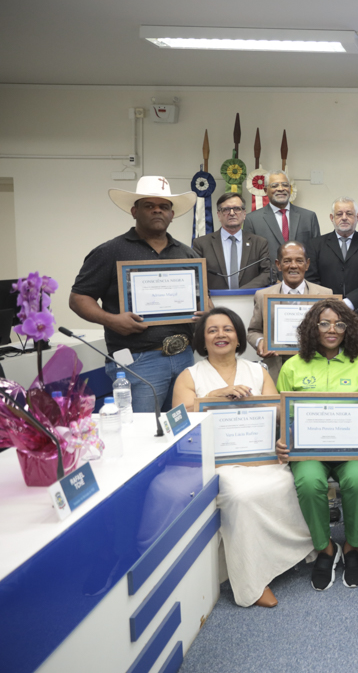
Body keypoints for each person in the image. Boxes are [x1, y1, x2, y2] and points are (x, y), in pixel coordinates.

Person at [171, 307, 312, 608]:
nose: (220, 335)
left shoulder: (257, 371)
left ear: (238, 338)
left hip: (260, 455)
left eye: (228, 329)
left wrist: (265, 412)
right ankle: (253, 581)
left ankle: (286, 555)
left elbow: (279, 413)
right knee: (241, 494)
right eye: (212, 330)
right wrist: (214, 396)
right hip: (217, 461)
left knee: (286, 482)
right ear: (202, 340)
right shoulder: (190, 376)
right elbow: (178, 421)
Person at [70, 176, 199, 413]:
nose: (157, 210)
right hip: (138, 361)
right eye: (149, 205)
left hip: (184, 358)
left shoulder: (186, 254)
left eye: (164, 206)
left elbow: (202, 298)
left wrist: (205, 313)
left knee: (181, 428)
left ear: (172, 214)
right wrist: (111, 320)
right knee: (141, 430)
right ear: (134, 211)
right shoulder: (110, 251)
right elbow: (79, 298)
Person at [276, 299, 358, 591]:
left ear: (348, 329)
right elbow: (284, 415)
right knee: (309, 483)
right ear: (312, 327)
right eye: (324, 323)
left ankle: (353, 547)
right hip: (308, 452)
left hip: (352, 450)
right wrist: (282, 440)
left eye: (339, 324)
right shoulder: (292, 367)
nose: (332, 329)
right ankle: (325, 548)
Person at [247, 241, 332, 381]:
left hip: (315, 367)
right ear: (278, 265)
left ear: (307, 264)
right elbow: (253, 331)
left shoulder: (325, 295)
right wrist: (260, 342)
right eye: (287, 261)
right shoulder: (262, 296)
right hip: (277, 368)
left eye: (299, 261)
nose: (293, 266)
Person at [305, 197, 358, 312]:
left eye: (349, 214)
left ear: (357, 217)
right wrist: (330, 303)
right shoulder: (315, 245)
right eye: (339, 214)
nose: (344, 218)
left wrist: (350, 302)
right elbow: (311, 280)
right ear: (332, 218)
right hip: (324, 310)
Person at [242, 171, 321, 272]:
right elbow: (250, 257)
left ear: (290, 188)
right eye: (274, 186)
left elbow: (316, 253)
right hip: (268, 279)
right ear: (265, 190)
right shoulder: (252, 220)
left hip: (302, 278)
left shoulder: (308, 217)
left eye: (285, 185)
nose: (280, 189)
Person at [191, 191, 271, 290]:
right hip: (215, 299)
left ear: (244, 214)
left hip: (249, 297)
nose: (232, 213)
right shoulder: (201, 244)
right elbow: (195, 275)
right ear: (219, 215)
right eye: (226, 209)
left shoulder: (259, 243)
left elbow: (267, 273)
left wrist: (242, 292)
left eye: (237, 209)